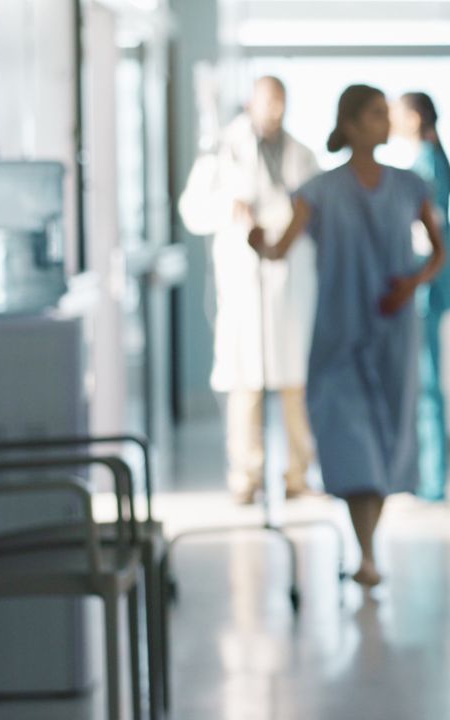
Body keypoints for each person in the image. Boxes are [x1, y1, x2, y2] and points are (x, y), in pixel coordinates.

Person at [250, 84, 446, 587]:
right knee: (351, 439)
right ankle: (366, 551)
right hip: (339, 335)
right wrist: (259, 243)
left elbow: (440, 253)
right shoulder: (319, 190)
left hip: (393, 332)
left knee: (383, 442)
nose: (387, 122)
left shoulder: (408, 185)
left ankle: (367, 549)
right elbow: (279, 249)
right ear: (353, 123)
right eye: (377, 114)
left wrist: (414, 283)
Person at [178, 76, 320, 505]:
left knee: (295, 382)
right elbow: (192, 210)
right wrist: (229, 207)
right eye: (267, 100)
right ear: (250, 103)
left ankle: (297, 475)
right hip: (243, 276)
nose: (274, 108)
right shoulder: (223, 149)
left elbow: (315, 206)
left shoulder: (302, 153)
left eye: (281, 100)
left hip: (288, 280)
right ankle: (246, 476)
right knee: (245, 383)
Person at [393, 92, 450, 503]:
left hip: (424, 288)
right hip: (424, 288)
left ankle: (431, 481)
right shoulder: (429, 158)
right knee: (424, 383)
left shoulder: (426, 163)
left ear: (415, 118)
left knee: (427, 384)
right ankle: (427, 477)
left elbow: (425, 233)